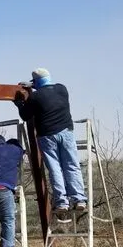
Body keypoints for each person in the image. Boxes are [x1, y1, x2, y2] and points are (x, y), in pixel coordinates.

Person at [14, 68, 86, 221]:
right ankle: (79, 198)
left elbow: (26, 116)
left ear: (35, 82)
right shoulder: (62, 89)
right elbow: (47, 91)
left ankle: (62, 202)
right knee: (72, 166)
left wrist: (20, 104)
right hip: (66, 132)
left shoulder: (35, 97)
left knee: (55, 169)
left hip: (47, 136)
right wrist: (34, 87)